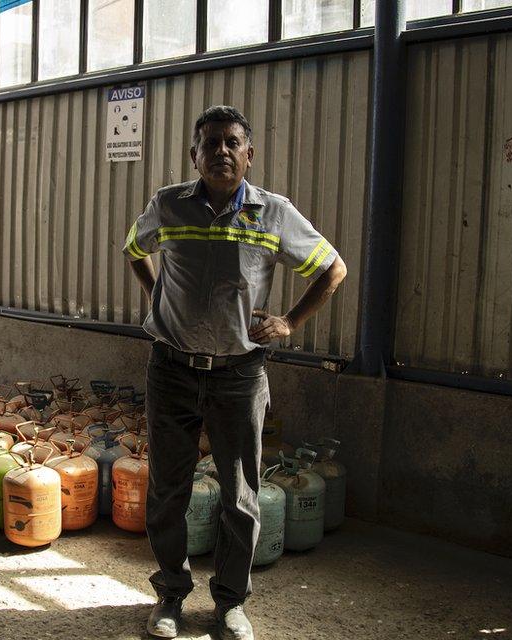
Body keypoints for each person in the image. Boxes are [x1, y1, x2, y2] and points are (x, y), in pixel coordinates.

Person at [123, 105, 347, 640]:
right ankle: (170, 597)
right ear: (194, 154)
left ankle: (229, 604)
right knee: (168, 490)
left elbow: (332, 268)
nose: (221, 151)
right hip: (171, 370)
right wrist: (156, 296)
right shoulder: (169, 205)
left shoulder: (274, 213)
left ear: (249, 154)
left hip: (240, 375)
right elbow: (134, 249)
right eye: (210, 143)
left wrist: (290, 322)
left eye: (232, 142)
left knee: (240, 493)